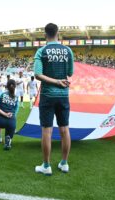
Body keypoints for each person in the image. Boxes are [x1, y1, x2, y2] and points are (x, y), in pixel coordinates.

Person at [34, 23, 74, 175]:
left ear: (45, 34)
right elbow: (70, 72)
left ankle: (46, 166)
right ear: (58, 33)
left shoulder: (42, 51)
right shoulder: (68, 50)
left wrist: (54, 81)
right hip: (63, 95)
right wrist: (60, 81)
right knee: (64, 130)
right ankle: (64, 163)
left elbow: (38, 74)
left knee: (47, 131)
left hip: (47, 96)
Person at [0, 79, 19, 150]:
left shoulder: (0, 94)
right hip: (12, 123)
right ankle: (8, 139)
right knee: (10, 126)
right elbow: (15, 112)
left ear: (6, 86)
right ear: (15, 87)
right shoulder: (16, 98)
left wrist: (5, 114)